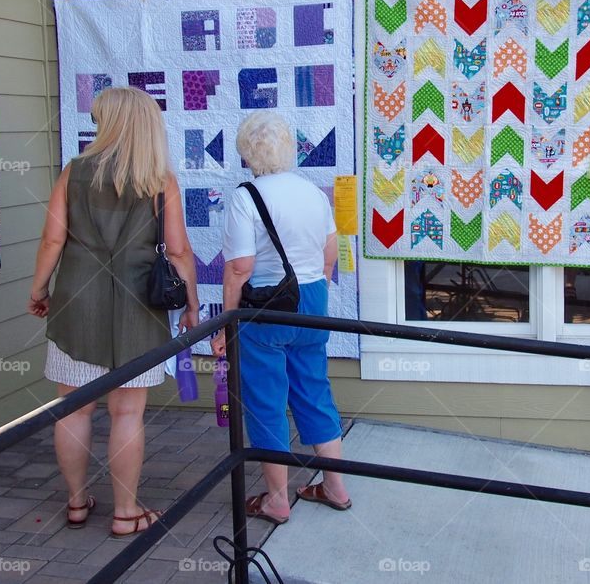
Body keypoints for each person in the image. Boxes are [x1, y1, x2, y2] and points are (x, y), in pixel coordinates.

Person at [27, 87, 198, 536]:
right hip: (138, 308)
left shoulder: (74, 172)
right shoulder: (159, 179)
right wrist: (192, 308)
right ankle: (125, 513)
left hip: (75, 306)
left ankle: (78, 503)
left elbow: (52, 241)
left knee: (74, 409)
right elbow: (179, 252)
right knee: (127, 415)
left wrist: (39, 288)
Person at [211, 111, 349, 525]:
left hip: (266, 309)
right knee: (314, 390)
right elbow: (330, 257)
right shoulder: (313, 193)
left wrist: (226, 323)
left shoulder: (245, 196)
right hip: (313, 300)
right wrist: (315, 296)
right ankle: (335, 487)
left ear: (246, 153)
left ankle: (276, 499)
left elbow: (239, 268)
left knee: (266, 400)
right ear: (288, 148)